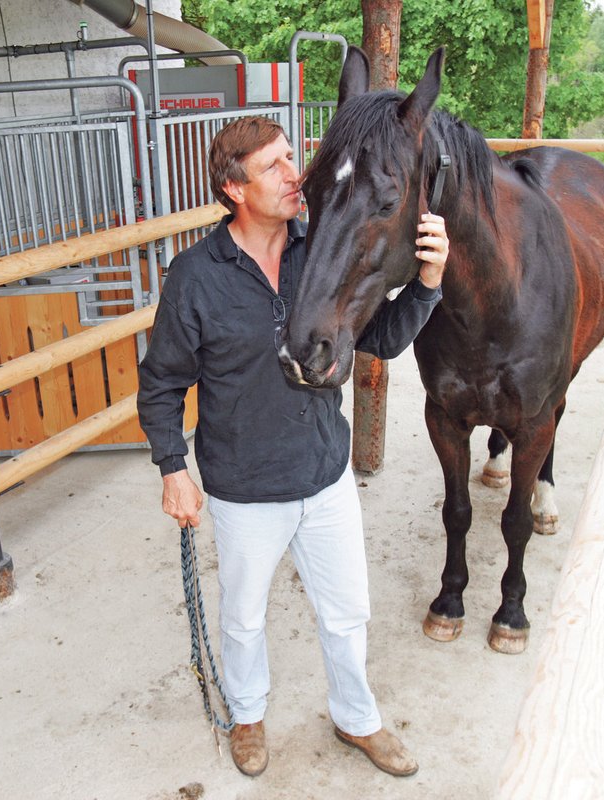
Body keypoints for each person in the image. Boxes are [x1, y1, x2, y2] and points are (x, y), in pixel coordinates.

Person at [136, 116, 449, 778]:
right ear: (233, 189)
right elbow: (161, 384)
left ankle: (356, 720)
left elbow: (382, 339)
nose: (294, 174)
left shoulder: (321, 251)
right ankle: (247, 717)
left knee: (347, 615)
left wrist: (427, 281)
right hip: (245, 487)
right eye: (274, 166)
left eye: (292, 158)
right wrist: (173, 467)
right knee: (244, 619)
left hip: (326, 473)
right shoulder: (195, 277)